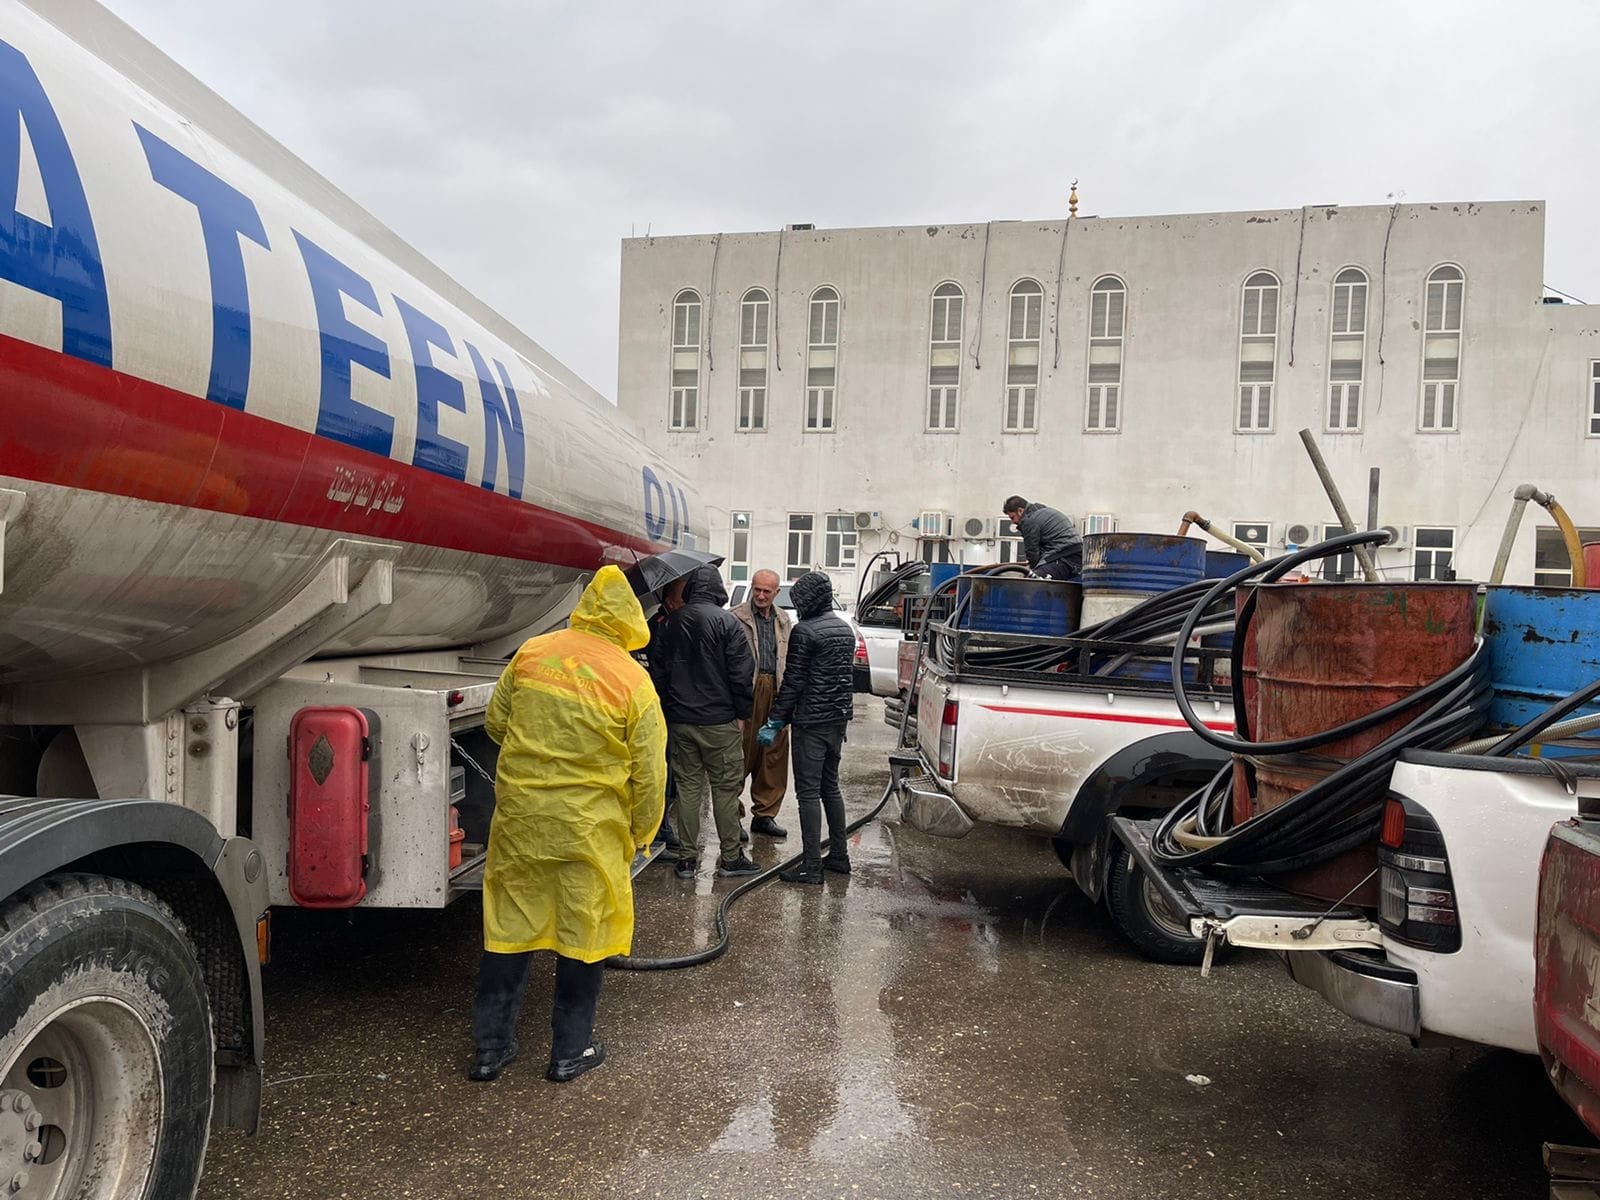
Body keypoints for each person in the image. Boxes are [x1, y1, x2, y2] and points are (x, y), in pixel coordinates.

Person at [469, 565, 665, 1085]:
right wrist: (642, 832)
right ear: (629, 619)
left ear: (584, 606)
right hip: (589, 831)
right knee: (584, 935)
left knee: (509, 929)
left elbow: (495, 722)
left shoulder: (534, 651)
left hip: (522, 822)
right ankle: (568, 1054)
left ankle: (490, 1051)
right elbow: (650, 773)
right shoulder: (632, 679)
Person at [650, 565, 760, 878]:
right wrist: (742, 714)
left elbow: (658, 673)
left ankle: (686, 859)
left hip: (681, 721)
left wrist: (670, 707)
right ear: (718, 590)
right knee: (724, 790)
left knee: (687, 789)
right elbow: (742, 675)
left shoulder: (670, 623)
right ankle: (731, 858)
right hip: (720, 722)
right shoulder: (729, 623)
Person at [755, 571, 856, 884]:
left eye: (799, 601)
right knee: (831, 787)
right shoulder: (845, 630)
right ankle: (839, 855)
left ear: (809, 601)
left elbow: (795, 682)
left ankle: (811, 866)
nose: (796, 607)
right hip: (837, 720)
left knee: (808, 794)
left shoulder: (805, 632)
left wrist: (775, 720)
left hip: (811, 723)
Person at [730, 568, 792, 839]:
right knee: (740, 753)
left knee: (773, 756)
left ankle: (765, 816)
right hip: (747, 691)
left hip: (775, 689)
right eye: (757, 589)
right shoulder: (736, 616)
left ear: (777, 592)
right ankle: (732, 816)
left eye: (767, 591)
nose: (761, 595)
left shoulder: (783, 619)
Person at [1002, 495, 1083, 580]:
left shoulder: (1029, 521)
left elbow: (1032, 552)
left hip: (1064, 556)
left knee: (1033, 582)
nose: (1013, 522)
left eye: (1012, 517)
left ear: (1020, 511)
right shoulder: (1042, 511)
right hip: (1077, 555)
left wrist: (1032, 569)